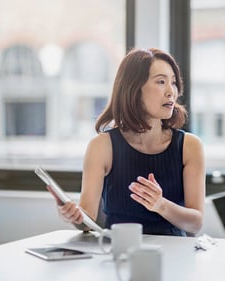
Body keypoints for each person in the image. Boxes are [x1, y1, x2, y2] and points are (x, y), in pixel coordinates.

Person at [48, 48, 206, 236]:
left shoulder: (190, 146)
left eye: (173, 82)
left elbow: (195, 224)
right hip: (117, 253)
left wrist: (161, 205)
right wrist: (74, 217)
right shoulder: (101, 147)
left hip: (173, 255)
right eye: (161, 82)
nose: (171, 91)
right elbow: (87, 221)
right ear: (134, 89)